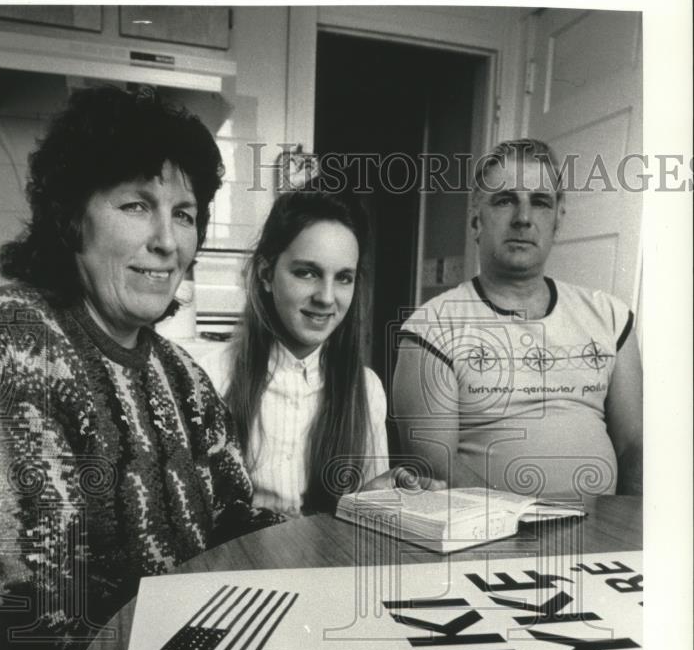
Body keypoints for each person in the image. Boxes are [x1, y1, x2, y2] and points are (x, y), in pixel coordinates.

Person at [0, 85, 280, 650]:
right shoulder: (16, 343)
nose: (165, 241)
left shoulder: (181, 376)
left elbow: (237, 520)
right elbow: (37, 606)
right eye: (135, 205)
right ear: (70, 221)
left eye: (184, 213)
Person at [392, 138, 643, 499]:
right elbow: (433, 464)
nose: (523, 218)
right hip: (492, 539)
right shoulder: (430, 329)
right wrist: (524, 522)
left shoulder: (611, 317)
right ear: (476, 219)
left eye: (540, 202)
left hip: (602, 537)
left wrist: (626, 531)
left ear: (558, 220)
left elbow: (635, 447)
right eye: (505, 199)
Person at [202, 189, 389, 515]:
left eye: (344, 278)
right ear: (265, 275)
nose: (327, 298)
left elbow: (370, 519)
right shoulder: (211, 377)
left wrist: (379, 499)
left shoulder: (366, 388)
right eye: (307, 273)